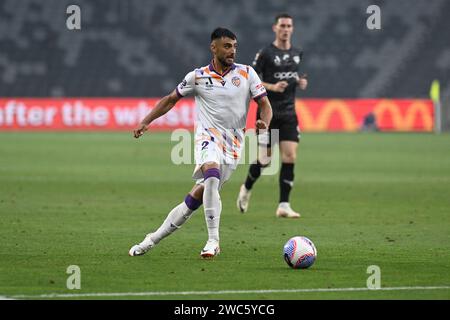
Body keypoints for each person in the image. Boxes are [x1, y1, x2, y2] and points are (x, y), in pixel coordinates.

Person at [129, 27, 272, 258]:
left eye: (234, 46)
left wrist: (264, 123)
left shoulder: (247, 74)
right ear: (213, 47)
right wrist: (146, 121)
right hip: (207, 137)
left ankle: (151, 239)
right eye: (227, 46)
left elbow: (265, 104)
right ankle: (213, 240)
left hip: (234, 144)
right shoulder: (197, 76)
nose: (232, 51)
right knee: (211, 175)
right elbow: (170, 99)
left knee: (196, 197)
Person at [237, 13, 308, 218]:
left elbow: (293, 77)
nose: (285, 29)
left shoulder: (298, 53)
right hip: (267, 113)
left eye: (289, 26)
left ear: (292, 29)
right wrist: (272, 86)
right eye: (282, 25)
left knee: (290, 155)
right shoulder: (265, 53)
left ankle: (283, 205)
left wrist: (300, 83)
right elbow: (252, 80)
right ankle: (246, 188)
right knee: (265, 159)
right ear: (274, 28)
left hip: (288, 113)